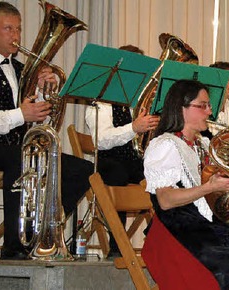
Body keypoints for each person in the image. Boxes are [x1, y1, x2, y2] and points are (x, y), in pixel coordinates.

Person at [0, 2, 92, 260]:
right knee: (20, 159)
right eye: (7, 29)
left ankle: (41, 230)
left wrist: (43, 91)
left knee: (82, 170)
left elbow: (35, 118)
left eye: (17, 29)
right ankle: (14, 246)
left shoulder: (21, 70)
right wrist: (21, 114)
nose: (15, 36)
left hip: (16, 149)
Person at [140, 79, 229, 289]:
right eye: (203, 106)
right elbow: (165, 200)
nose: (209, 112)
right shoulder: (164, 145)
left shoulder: (203, 143)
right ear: (182, 108)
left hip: (201, 226)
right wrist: (209, 188)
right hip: (177, 230)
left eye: (209, 106)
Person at [84, 45, 160, 259]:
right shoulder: (101, 102)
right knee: (118, 173)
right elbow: (101, 140)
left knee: (164, 177)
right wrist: (134, 128)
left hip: (135, 159)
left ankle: (155, 236)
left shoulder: (140, 101)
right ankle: (116, 243)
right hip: (108, 160)